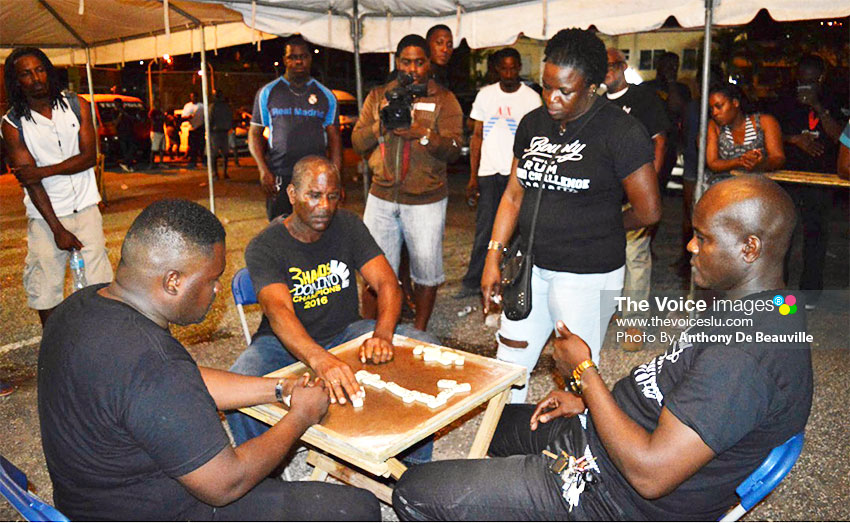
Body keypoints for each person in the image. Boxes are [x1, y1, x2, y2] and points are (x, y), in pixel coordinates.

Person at [393, 175, 812, 521]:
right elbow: (669, 392)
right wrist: (594, 404)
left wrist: (586, 374)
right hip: (604, 434)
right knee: (494, 422)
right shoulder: (770, 308)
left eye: (703, 239)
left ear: (750, 248)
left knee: (413, 492)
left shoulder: (745, 356)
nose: (690, 247)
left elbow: (650, 475)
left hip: (610, 493)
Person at [37, 198, 380, 521]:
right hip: (164, 513)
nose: (217, 291)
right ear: (173, 281)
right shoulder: (153, 366)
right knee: (355, 508)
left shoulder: (80, 306)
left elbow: (181, 382)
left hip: (89, 504)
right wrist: (301, 415)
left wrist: (280, 388)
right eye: (212, 279)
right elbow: (225, 484)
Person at [479, 29, 661, 403]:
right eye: (546, 86)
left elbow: (649, 210)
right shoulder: (533, 124)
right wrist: (493, 256)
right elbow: (514, 196)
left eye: (565, 90)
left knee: (575, 372)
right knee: (510, 360)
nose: (552, 98)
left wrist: (603, 224)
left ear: (593, 86)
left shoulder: (621, 131)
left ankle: (573, 451)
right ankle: (506, 445)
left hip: (587, 273)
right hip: (529, 266)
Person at [227, 156, 437, 462]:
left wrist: (382, 334)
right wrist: (320, 360)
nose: (324, 205)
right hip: (282, 343)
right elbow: (280, 313)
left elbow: (388, 284)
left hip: (346, 332)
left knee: (426, 347)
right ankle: (261, 474)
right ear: (292, 195)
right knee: (239, 384)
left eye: (332, 196)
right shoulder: (265, 245)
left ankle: (412, 465)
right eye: (314, 195)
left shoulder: (348, 225)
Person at [353, 34, 463, 332]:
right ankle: (371, 330)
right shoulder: (379, 96)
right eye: (406, 62)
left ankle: (419, 330)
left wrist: (422, 133)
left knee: (426, 270)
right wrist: (381, 123)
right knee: (374, 269)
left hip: (426, 199)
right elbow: (357, 140)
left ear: (429, 63)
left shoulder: (444, 99)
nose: (413, 68)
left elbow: (454, 150)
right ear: (397, 62)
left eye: (419, 62)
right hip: (381, 197)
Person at [1, 47, 113, 328]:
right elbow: (31, 184)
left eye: (39, 70)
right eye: (26, 74)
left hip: (87, 209)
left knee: (99, 284)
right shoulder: (13, 124)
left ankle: (99, 341)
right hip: (46, 217)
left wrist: (42, 170)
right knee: (45, 288)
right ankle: (54, 348)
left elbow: (88, 157)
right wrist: (57, 229)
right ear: (16, 81)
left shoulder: (77, 105)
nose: (36, 78)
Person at [455, 47, 541, 299]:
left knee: (519, 231)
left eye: (513, 68)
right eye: (504, 68)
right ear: (497, 70)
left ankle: (514, 282)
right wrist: (473, 176)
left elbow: (536, 139)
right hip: (489, 172)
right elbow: (477, 136)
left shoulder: (531, 98)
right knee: (485, 230)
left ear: (519, 69)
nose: (509, 73)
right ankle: (473, 281)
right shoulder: (485, 96)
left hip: (518, 174)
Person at [604, 48, 671, 351]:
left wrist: (650, 185)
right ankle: (609, 310)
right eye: (602, 67)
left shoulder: (643, 98)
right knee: (605, 253)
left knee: (636, 255)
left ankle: (634, 322)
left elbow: (659, 141)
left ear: (623, 67)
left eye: (612, 66)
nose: (607, 71)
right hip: (601, 193)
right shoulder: (594, 101)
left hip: (633, 192)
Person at [774, 54, 843, 309]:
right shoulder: (784, 100)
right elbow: (770, 130)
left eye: (812, 81)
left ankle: (810, 293)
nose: (805, 86)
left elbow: (840, 137)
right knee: (783, 235)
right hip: (788, 176)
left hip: (821, 178)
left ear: (821, 79)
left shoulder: (833, 100)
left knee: (815, 235)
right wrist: (794, 140)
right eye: (802, 80)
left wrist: (817, 106)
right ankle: (779, 290)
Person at [250, 36, 341, 221]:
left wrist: (336, 177)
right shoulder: (268, 93)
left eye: (303, 56)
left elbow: (335, 140)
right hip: (281, 175)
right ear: (285, 60)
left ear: (310, 59)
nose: (298, 61)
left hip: (316, 178)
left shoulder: (326, 95)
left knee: (315, 227)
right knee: (280, 229)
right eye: (293, 57)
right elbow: (254, 134)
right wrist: (263, 169)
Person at [706, 82, 785, 186]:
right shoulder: (714, 125)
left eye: (719, 106)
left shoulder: (765, 122)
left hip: (759, 187)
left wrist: (761, 164)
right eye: (711, 109)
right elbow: (712, 162)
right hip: (723, 188)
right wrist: (740, 161)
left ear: (735, 103)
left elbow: (778, 157)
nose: (714, 113)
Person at [642, 52, 691, 194]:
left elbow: (677, 107)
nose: (672, 69)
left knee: (661, 182)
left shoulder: (682, 89)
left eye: (675, 66)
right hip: (647, 140)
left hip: (670, 141)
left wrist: (671, 83)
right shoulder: (646, 87)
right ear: (659, 66)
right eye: (668, 65)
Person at [209, 89, 234, 180]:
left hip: (217, 132)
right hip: (222, 131)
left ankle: (216, 173)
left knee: (215, 154)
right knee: (224, 154)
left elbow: (209, 119)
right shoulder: (225, 106)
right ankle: (222, 173)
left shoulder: (214, 106)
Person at [113, 98, 137, 172]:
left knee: (132, 148)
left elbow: (132, 119)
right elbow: (115, 123)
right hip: (121, 133)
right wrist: (120, 115)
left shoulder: (126, 111)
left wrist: (125, 113)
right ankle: (126, 164)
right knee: (125, 150)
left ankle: (127, 163)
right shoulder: (114, 112)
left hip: (129, 132)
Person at [182, 92, 204, 168]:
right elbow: (183, 117)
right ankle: (192, 162)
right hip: (191, 128)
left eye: (194, 97)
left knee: (201, 145)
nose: (193, 98)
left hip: (200, 127)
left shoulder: (201, 106)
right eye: (192, 97)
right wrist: (188, 117)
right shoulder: (187, 106)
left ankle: (203, 160)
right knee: (192, 146)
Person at [148, 99, 166, 169]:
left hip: (161, 131)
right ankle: (151, 164)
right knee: (154, 149)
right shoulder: (153, 112)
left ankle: (161, 162)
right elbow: (151, 119)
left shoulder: (161, 112)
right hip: (155, 132)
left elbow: (164, 119)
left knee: (162, 148)